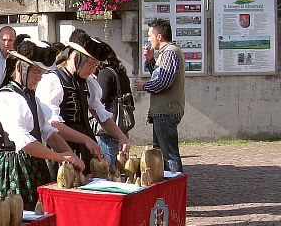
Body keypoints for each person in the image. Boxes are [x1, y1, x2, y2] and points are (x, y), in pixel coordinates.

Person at [0, 39, 80, 209]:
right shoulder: (7, 98)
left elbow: (49, 134)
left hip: (34, 165)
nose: (39, 78)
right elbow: (24, 143)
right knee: (17, 216)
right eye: (35, 72)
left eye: (41, 74)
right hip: (12, 169)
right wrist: (59, 157)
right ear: (19, 67)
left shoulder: (32, 98)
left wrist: (69, 154)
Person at [37, 29, 129, 174]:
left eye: (95, 65)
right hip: (60, 148)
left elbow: (100, 113)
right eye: (90, 64)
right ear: (75, 58)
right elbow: (52, 125)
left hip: (85, 147)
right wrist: (85, 139)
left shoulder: (88, 83)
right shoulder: (53, 81)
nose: (93, 69)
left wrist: (121, 137)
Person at [135, 18, 185, 172]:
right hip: (162, 111)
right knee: (162, 154)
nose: (149, 40)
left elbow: (164, 82)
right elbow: (159, 76)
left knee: (169, 155)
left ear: (159, 37)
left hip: (166, 111)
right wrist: (150, 60)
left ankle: (175, 190)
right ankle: (168, 189)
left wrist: (145, 86)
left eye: (150, 36)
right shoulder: (166, 54)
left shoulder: (170, 52)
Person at [95, 48, 135, 168]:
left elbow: (99, 103)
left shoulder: (104, 74)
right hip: (123, 126)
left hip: (108, 129)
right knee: (120, 166)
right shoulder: (121, 73)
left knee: (107, 167)